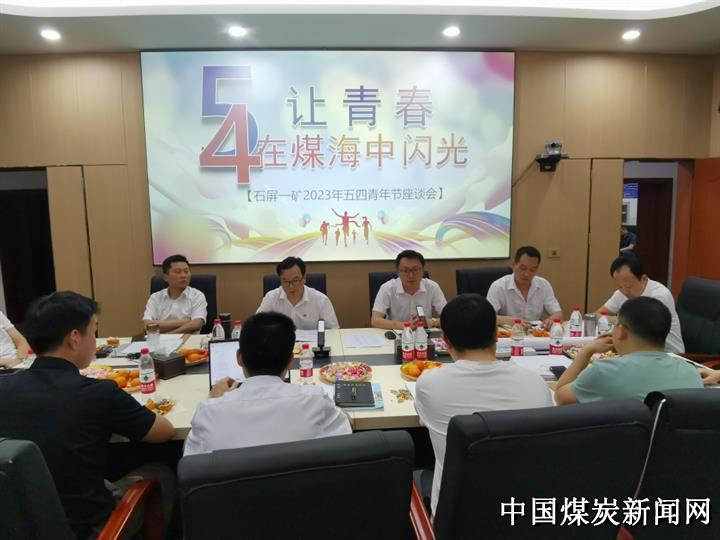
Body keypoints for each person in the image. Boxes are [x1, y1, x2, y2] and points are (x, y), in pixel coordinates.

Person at [0, 291, 175, 539]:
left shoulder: (4, 388)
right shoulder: (98, 393)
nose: (95, 340)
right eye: (93, 331)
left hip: (19, 526)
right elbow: (164, 432)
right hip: (91, 529)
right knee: (161, 472)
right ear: (74, 338)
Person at [414, 294, 553, 516]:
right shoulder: (536, 384)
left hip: (455, 519)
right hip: (523, 514)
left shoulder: (429, 384)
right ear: (496, 334)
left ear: (446, 341)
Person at [184, 312, 351, 455]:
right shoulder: (315, 401)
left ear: (239, 358)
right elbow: (345, 430)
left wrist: (215, 400)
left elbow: (190, 457)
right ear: (290, 361)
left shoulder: (209, 412)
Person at [556, 297, 701, 405]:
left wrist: (586, 351)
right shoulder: (691, 373)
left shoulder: (604, 371)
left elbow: (561, 397)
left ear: (621, 331)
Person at [595, 255, 684, 354]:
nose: (625, 292)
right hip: (636, 351)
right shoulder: (622, 293)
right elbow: (597, 314)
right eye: (620, 287)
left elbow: (641, 333)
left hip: (668, 354)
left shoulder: (659, 296)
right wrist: (619, 321)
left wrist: (620, 322)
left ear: (644, 279)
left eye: (629, 286)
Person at [486, 245, 563, 328]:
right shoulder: (498, 286)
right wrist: (512, 321)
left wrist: (551, 320)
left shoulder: (543, 285)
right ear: (514, 265)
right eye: (523, 268)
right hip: (508, 333)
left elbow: (558, 313)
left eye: (532, 270)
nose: (527, 274)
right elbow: (487, 317)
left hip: (534, 333)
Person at [371, 250, 447, 330]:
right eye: (405, 270)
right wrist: (407, 325)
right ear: (397, 272)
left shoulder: (432, 287)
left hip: (424, 333)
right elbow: (375, 320)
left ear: (422, 270)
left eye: (415, 270)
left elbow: (449, 317)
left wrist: (432, 322)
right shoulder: (387, 288)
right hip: (397, 333)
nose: (411, 275)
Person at [257, 256, 339, 329]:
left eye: (295, 280)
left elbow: (333, 330)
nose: (291, 286)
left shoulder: (321, 300)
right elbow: (257, 325)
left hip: (311, 342)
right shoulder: (271, 298)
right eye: (286, 281)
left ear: (304, 278)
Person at [142, 254, 207, 334]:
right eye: (178, 272)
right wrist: (187, 321)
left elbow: (196, 324)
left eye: (186, 271)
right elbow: (147, 325)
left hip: (189, 340)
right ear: (166, 277)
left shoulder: (197, 295)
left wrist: (168, 334)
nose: (183, 275)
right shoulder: (155, 297)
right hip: (159, 341)